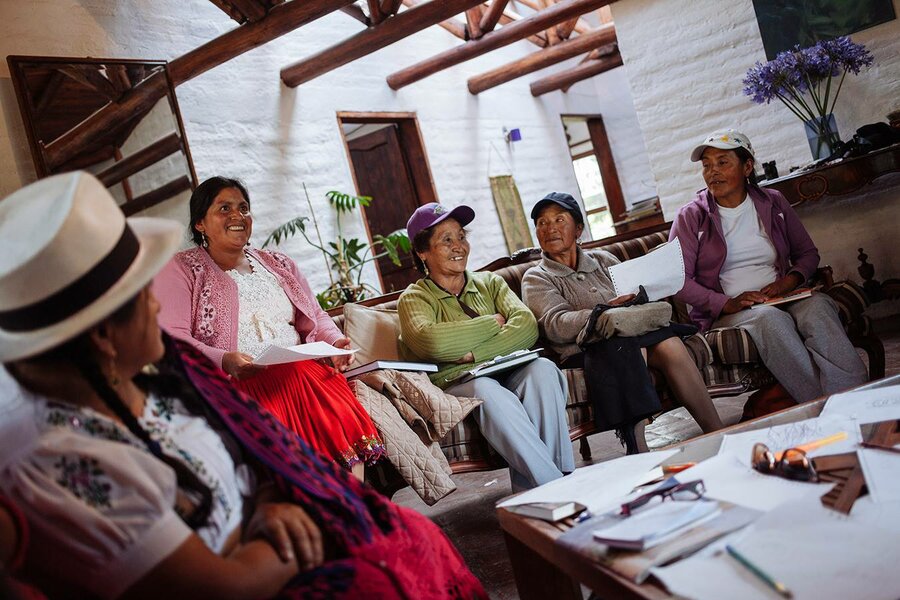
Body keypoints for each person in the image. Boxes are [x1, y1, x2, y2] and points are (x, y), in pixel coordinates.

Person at [0, 172, 486, 599]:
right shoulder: (78, 467)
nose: (155, 307)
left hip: (277, 489)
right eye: (140, 295)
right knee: (400, 558)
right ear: (104, 336)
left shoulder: (165, 391)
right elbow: (224, 586)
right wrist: (311, 514)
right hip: (266, 544)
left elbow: (250, 459)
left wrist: (271, 503)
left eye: (243, 207)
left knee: (411, 538)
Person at [154, 176, 383, 477]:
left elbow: (315, 314)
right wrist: (225, 360)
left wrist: (336, 342)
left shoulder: (278, 264)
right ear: (200, 223)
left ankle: (357, 508)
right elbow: (173, 339)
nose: (238, 216)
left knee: (325, 396)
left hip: (302, 372)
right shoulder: (180, 269)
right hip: (237, 386)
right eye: (224, 208)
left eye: (243, 208)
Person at [670, 129, 868, 402]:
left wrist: (788, 282)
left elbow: (807, 253)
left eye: (722, 162)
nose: (712, 172)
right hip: (733, 310)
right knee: (770, 320)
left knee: (819, 307)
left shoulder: (773, 201)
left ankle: (858, 399)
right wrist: (726, 303)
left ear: (747, 166)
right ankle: (822, 407)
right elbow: (677, 280)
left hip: (782, 295)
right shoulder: (691, 217)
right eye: (706, 166)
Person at [522, 193, 723, 454]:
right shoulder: (536, 277)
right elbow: (555, 324)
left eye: (559, 220)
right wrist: (602, 314)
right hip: (585, 349)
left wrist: (635, 298)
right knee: (628, 348)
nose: (549, 229)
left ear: (579, 228)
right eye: (541, 223)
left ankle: (716, 429)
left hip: (631, 332)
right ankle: (637, 447)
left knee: (670, 343)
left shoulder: (605, 260)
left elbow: (635, 300)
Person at [397, 203, 575, 491]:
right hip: (457, 382)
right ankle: (558, 485)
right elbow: (432, 342)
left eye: (461, 236)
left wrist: (473, 354)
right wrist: (493, 323)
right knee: (487, 391)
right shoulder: (414, 298)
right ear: (422, 252)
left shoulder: (490, 282)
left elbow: (527, 326)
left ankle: (534, 491)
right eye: (446, 240)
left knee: (542, 370)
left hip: (508, 367)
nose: (459, 247)